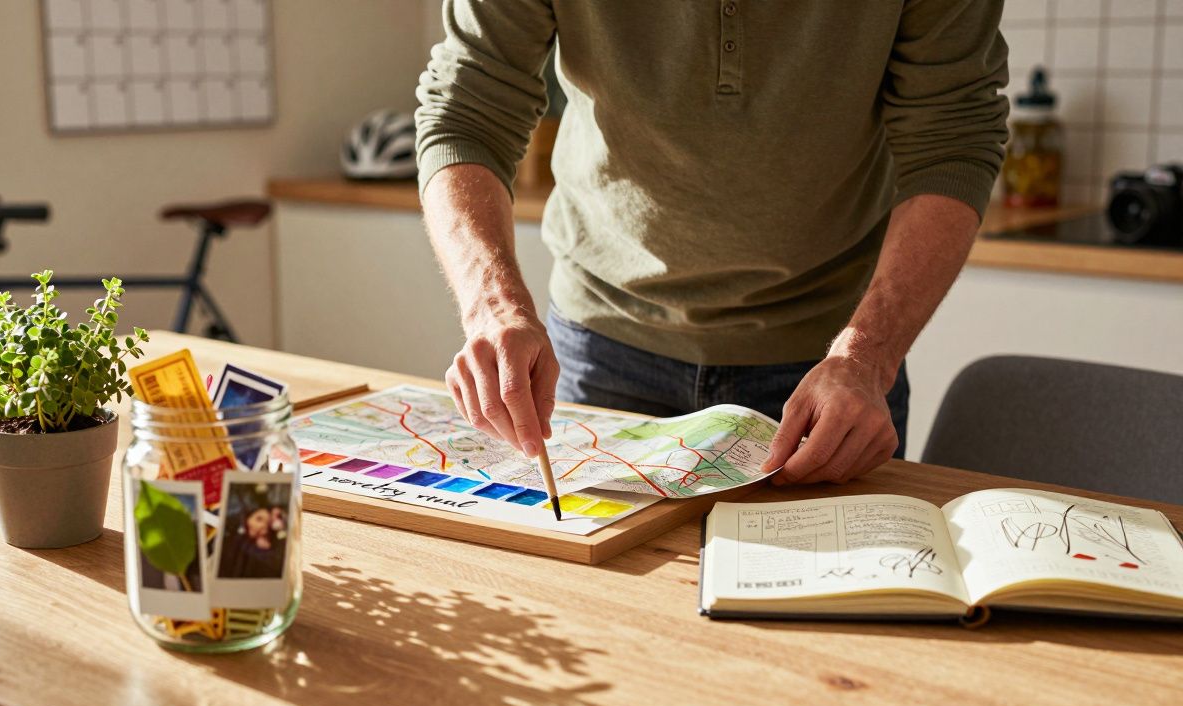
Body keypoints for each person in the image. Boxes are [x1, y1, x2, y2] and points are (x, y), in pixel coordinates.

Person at [416, 2, 1009, 484]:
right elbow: (465, 114)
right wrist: (492, 304)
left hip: (830, 367)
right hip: (601, 348)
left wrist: (867, 358)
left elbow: (952, 144)